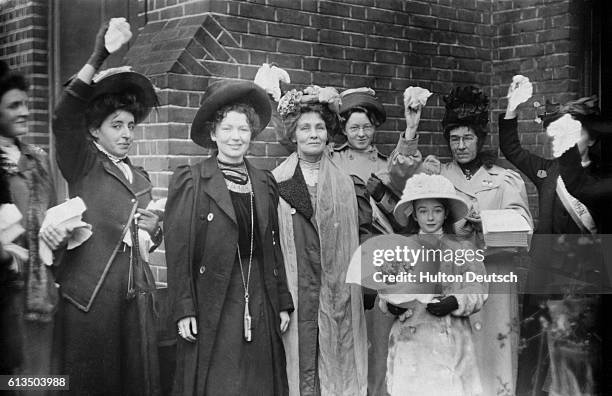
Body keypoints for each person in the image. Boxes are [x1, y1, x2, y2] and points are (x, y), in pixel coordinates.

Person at [52, 20, 162, 395]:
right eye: (117, 125)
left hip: (135, 303)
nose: (127, 134)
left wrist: (155, 228)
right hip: (90, 301)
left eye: (131, 125)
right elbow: (63, 116)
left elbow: (149, 236)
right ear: (95, 130)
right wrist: (99, 56)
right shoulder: (82, 162)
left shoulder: (142, 177)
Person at [165, 79, 294, 396]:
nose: (236, 137)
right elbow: (178, 253)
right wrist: (184, 309)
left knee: (258, 382)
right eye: (227, 129)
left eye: (243, 129)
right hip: (213, 300)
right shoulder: (192, 181)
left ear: (252, 134)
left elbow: (271, 248)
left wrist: (281, 302)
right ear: (213, 134)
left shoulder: (264, 182)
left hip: (259, 293)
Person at [273, 86, 369, 396]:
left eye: (319, 127)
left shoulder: (345, 183)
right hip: (297, 287)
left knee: (337, 361)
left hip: (336, 290)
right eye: (305, 128)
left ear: (328, 133)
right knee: (302, 367)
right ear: (293, 134)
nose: (313, 134)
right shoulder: (276, 181)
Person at [330, 87, 425, 396]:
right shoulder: (332, 160)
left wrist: (410, 129)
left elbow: (404, 168)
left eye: (367, 126)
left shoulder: (387, 164)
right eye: (354, 127)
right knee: (345, 338)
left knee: (380, 339)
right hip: (343, 258)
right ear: (343, 128)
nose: (361, 133)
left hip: (382, 262)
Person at [379, 173, 487, 396]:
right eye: (423, 211)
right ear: (415, 215)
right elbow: (387, 289)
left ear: (446, 212)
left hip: (450, 336)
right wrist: (392, 306)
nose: (430, 217)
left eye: (437, 210)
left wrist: (455, 301)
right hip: (411, 338)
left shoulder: (462, 249)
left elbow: (477, 286)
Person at [0, 60, 65, 383]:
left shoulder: (37, 159)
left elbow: (52, 216)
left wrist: (61, 232)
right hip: (5, 295)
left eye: (26, 103)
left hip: (38, 294)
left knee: (40, 381)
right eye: (14, 105)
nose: (24, 111)